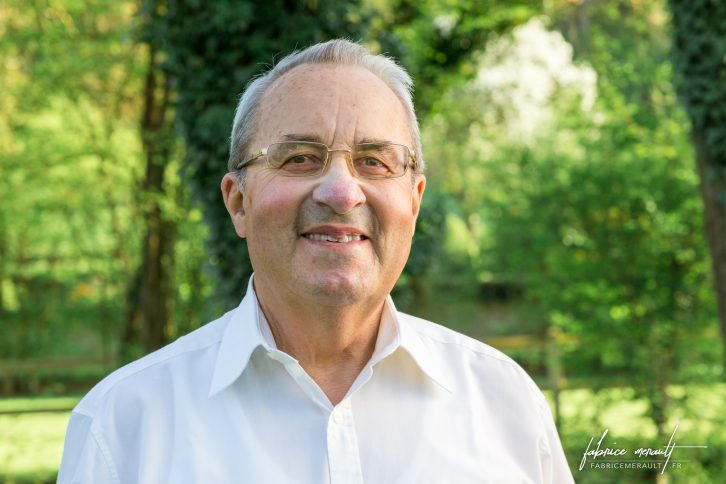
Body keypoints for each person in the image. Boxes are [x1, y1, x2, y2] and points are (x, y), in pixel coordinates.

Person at [58, 39, 574, 484]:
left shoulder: (504, 403)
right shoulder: (125, 425)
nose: (341, 190)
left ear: (414, 202)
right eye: (299, 157)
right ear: (239, 202)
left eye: (374, 161)